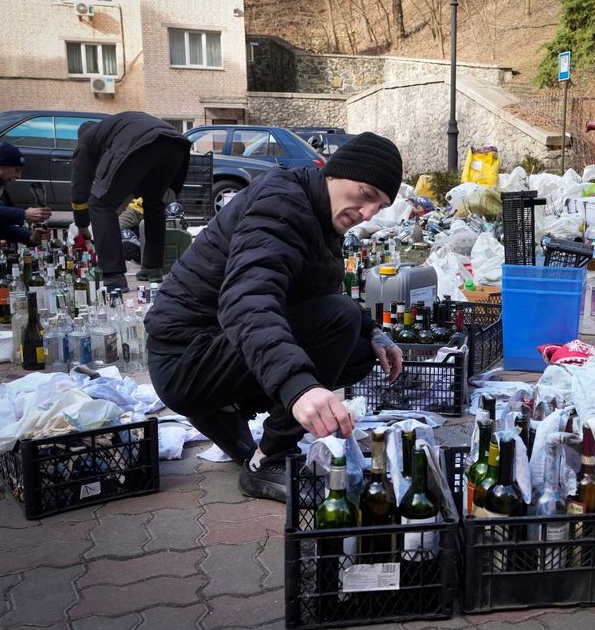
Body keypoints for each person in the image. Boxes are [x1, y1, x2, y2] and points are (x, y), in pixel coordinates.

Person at [144, 132, 405, 503]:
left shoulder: (318, 213)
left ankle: (225, 408)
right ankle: (270, 458)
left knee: (361, 349)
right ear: (333, 173)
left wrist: (374, 331)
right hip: (184, 358)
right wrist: (299, 387)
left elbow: (320, 292)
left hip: (215, 349)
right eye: (365, 194)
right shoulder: (282, 202)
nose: (366, 214)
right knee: (339, 321)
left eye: (378, 207)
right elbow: (246, 298)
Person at [71, 112, 191, 291]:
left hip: (143, 142)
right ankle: (152, 268)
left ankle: (114, 277)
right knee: (154, 203)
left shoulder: (87, 141)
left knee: (100, 204)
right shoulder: (115, 128)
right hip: (176, 144)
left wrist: (82, 227)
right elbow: (135, 178)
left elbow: (80, 189)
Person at [0, 143, 51, 251]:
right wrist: (23, 214)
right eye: (16, 170)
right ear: (0, 165)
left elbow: (0, 222)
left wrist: (29, 237)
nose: (18, 176)